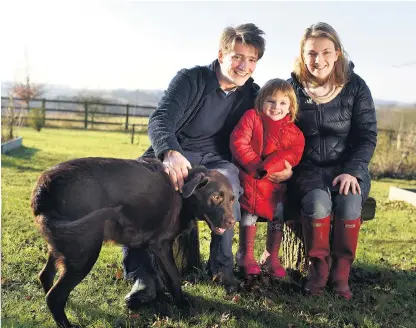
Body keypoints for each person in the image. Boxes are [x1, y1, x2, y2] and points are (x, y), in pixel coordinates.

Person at [122, 23, 292, 309]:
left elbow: (281, 126)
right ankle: (143, 275)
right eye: (238, 57)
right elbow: (161, 119)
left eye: (252, 60)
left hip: (217, 160)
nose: (244, 66)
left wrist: (283, 165)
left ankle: (221, 268)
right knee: (142, 194)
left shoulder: (253, 94)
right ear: (221, 54)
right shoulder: (192, 79)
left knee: (230, 187)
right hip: (177, 153)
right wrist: (169, 151)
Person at [287, 22, 377, 299]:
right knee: (318, 203)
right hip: (307, 169)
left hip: (348, 168)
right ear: (303, 55)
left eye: (326, 52)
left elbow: (366, 135)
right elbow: (280, 131)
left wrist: (352, 171)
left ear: (337, 53)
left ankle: (341, 273)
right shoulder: (292, 88)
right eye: (312, 53)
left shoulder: (355, 86)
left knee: (350, 201)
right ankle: (319, 269)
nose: (319, 60)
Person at [229, 79, 305, 278]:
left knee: (278, 211)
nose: (276, 107)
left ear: (290, 106)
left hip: (275, 182)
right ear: (262, 101)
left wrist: (273, 168)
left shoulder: (293, 132)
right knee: (250, 210)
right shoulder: (252, 118)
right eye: (271, 101)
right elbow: (239, 143)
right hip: (249, 175)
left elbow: (293, 154)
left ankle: (271, 256)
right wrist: (257, 167)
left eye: (282, 103)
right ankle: (245, 255)